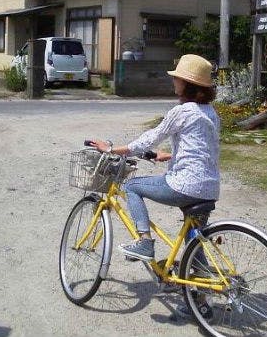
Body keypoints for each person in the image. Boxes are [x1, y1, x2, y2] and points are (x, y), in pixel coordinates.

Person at [89, 54, 220, 261]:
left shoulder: (182, 111)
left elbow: (150, 138)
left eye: (177, 78)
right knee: (192, 240)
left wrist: (112, 149)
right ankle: (198, 286)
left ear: (187, 84)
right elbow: (204, 148)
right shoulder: (210, 112)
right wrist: (170, 155)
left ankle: (144, 243)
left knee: (131, 186)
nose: (174, 81)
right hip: (209, 188)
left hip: (186, 186)